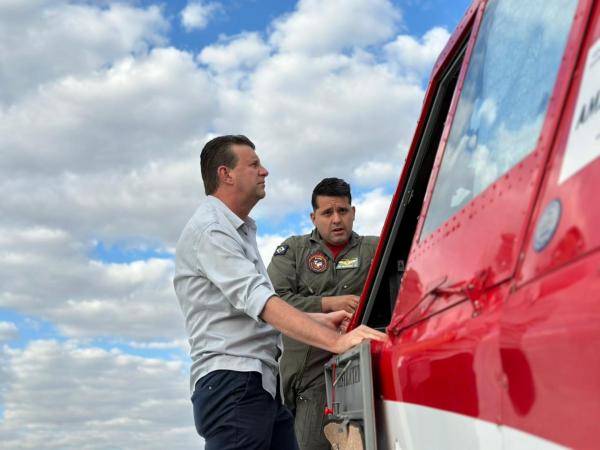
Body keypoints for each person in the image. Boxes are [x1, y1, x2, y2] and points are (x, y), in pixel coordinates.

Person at [173, 135, 386, 450]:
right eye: (254, 164)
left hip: (260, 386)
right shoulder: (212, 232)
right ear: (225, 174)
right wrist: (338, 341)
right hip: (234, 384)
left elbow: (251, 311)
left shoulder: (238, 230)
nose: (265, 171)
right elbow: (264, 303)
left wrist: (318, 319)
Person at [267, 177, 379, 450]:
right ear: (313, 217)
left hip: (340, 375)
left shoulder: (375, 249)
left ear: (353, 213)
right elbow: (273, 301)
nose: (336, 219)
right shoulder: (293, 250)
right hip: (288, 375)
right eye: (327, 213)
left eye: (342, 211)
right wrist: (328, 303)